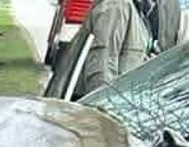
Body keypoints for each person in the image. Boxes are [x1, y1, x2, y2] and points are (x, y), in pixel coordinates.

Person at [51, 0, 180, 97]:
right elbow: (100, 71)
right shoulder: (116, 5)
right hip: (91, 114)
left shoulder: (142, 11)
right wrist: (105, 117)